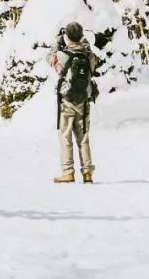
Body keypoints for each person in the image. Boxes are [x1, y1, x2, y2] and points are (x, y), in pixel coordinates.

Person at [49, 22, 97, 184]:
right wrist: (82, 39)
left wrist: (57, 42)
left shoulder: (63, 55)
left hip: (67, 101)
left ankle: (68, 172)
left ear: (67, 37)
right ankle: (88, 172)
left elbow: (51, 59)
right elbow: (89, 52)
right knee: (83, 138)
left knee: (65, 136)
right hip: (84, 102)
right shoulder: (89, 56)